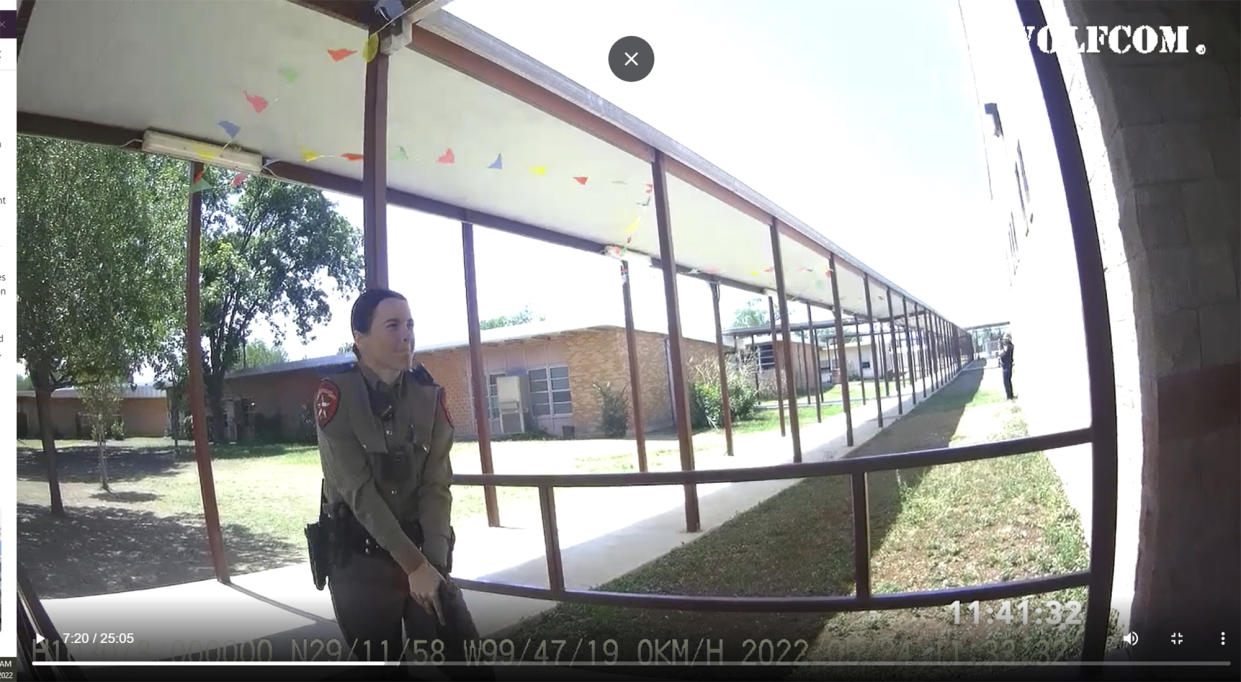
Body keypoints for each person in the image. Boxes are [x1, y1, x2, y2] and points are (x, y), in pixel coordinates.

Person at [315, 288, 487, 676]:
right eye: (392, 325)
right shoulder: (335, 396)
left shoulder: (430, 395)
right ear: (359, 338)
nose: (406, 334)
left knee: (469, 663)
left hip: (425, 555)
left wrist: (433, 567)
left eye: (409, 324)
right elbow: (358, 492)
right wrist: (414, 566)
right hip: (361, 565)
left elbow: (436, 486)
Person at [999, 333, 1016, 400]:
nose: (1004, 340)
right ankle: (1010, 395)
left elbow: (1002, 354)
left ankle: (1009, 396)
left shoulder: (1008, 346)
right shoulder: (1011, 345)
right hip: (1008, 365)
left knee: (1006, 381)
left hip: (1006, 365)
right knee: (1008, 381)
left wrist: (1000, 348)